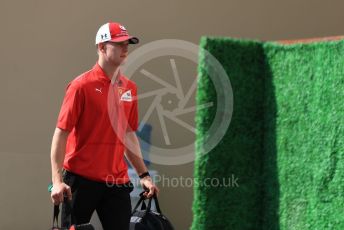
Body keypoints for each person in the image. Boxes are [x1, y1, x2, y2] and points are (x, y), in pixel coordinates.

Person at [50, 22, 159, 230]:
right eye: (119, 44)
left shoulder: (130, 88)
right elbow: (60, 134)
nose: (125, 48)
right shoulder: (80, 86)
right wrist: (56, 181)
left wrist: (144, 175)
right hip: (80, 181)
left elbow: (128, 134)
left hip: (116, 182)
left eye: (127, 43)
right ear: (101, 47)